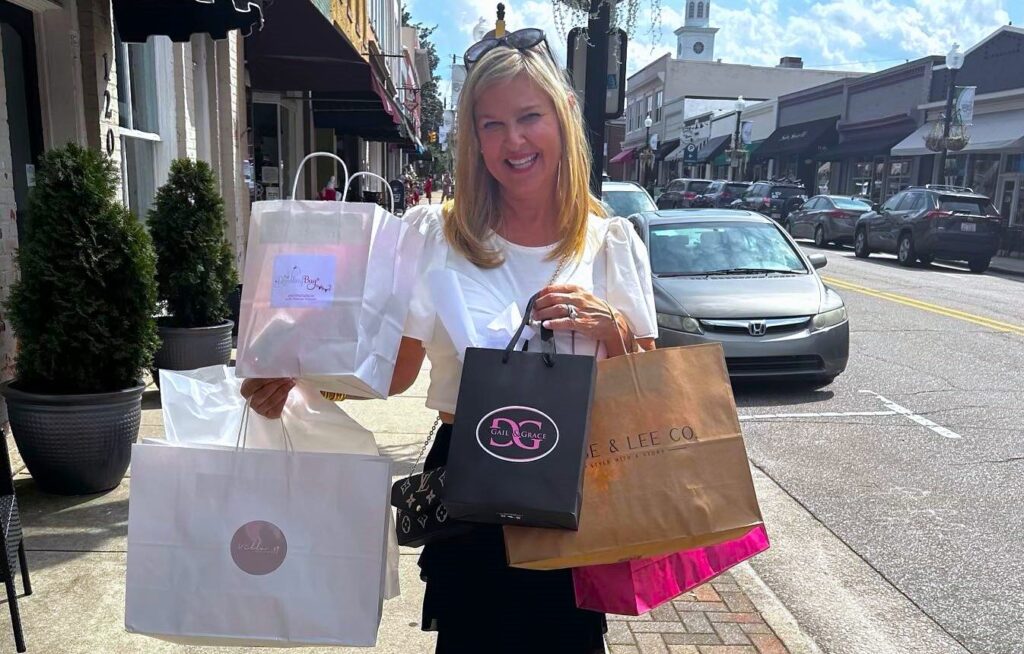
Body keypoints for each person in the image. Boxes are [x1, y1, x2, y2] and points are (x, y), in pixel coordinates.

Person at [241, 26, 657, 654]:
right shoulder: (437, 237)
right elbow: (394, 370)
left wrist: (615, 328)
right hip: (469, 486)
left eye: (528, 116)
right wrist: (298, 376)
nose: (512, 140)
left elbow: (646, 383)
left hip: (574, 484)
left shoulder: (610, 242)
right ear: (473, 139)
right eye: (491, 125)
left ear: (564, 118)